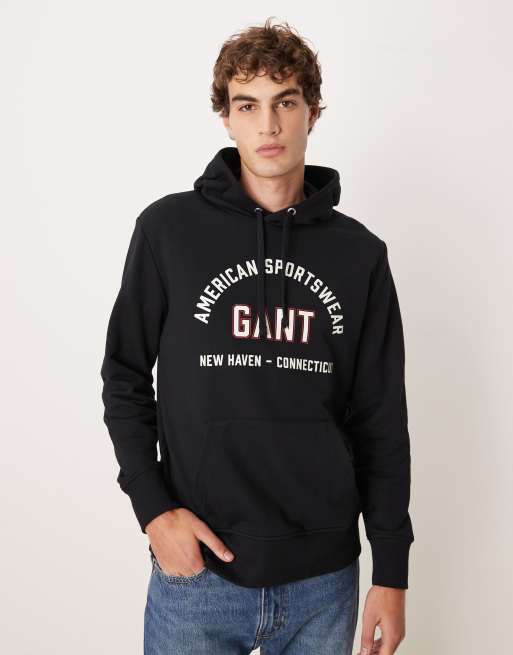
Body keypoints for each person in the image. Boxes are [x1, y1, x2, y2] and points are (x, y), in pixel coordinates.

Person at [100, 17, 414, 655]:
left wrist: (391, 571)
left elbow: (382, 419)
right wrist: (154, 511)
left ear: (312, 112)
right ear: (226, 117)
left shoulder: (360, 256)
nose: (268, 126)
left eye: (285, 103)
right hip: (198, 573)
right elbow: (124, 376)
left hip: (323, 581)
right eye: (248, 105)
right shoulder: (168, 232)